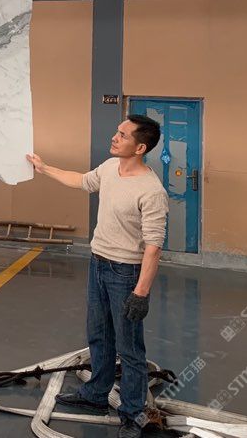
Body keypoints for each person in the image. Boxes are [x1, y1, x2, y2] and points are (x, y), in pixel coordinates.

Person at [27, 115, 168, 438]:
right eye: (117, 131)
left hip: (126, 272)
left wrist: (141, 293)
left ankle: (133, 414)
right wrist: (44, 168)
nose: (115, 137)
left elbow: (154, 247)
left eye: (123, 135)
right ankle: (95, 394)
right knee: (99, 335)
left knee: (129, 348)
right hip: (98, 263)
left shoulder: (151, 191)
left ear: (140, 148)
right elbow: (80, 180)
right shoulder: (109, 168)